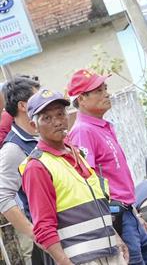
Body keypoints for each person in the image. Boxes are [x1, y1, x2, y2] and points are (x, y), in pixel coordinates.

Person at [66, 70, 147, 265]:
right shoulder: (82, 132)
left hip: (128, 212)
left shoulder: (101, 126)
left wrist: (135, 213)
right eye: (99, 91)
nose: (106, 94)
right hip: (115, 217)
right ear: (82, 99)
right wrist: (110, 228)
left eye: (105, 88)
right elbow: (88, 183)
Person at [21, 89, 128, 265]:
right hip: (80, 260)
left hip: (110, 253)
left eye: (60, 114)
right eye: (46, 118)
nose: (57, 122)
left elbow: (97, 205)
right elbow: (43, 227)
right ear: (34, 126)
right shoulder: (37, 166)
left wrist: (115, 237)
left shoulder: (76, 153)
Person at [0, 76, 50, 265]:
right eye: (36, 98)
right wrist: (35, 234)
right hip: (50, 237)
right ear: (22, 106)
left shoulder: (40, 138)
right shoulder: (13, 149)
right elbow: (3, 197)